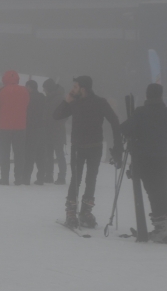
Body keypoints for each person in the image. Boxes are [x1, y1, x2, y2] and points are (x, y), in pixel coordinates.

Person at [120, 83, 167, 243]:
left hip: (145, 160)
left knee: (154, 193)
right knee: (164, 192)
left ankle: (162, 230)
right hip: (164, 159)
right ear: (161, 96)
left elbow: (124, 129)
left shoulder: (140, 112)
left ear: (147, 95)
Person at [53, 76, 122, 228]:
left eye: (75, 86)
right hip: (79, 146)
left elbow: (114, 120)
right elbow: (56, 116)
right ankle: (72, 212)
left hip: (94, 146)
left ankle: (85, 212)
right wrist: (67, 100)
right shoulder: (74, 102)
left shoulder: (100, 102)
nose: (73, 89)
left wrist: (118, 145)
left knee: (90, 179)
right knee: (77, 179)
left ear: (83, 88)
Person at [0, 70, 29, 185]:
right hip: (20, 127)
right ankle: (18, 177)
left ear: (4, 79)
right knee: (19, 153)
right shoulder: (24, 91)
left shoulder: (0, 91)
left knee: (4, 153)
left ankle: (5, 178)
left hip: (4, 127)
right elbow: (27, 106)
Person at [42, 79, 67, 184]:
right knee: (54, 154)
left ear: (48, 88)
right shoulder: (57, 98)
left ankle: (57, 176)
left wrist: (53, 122)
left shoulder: (58, 99)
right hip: (54, 130)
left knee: (56, 154)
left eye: (44, 89)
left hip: (55, 130)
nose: (44, 91)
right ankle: (54, 176)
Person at [24, 79, 48, 185]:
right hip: (42, 128)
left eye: (27, 87)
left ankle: (26, 178)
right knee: (40, 155)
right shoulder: (43, 97)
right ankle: (41, 177)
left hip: (31, 129)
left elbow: (27, 113)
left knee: (30, 154)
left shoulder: (29, 98)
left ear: (30, 87)